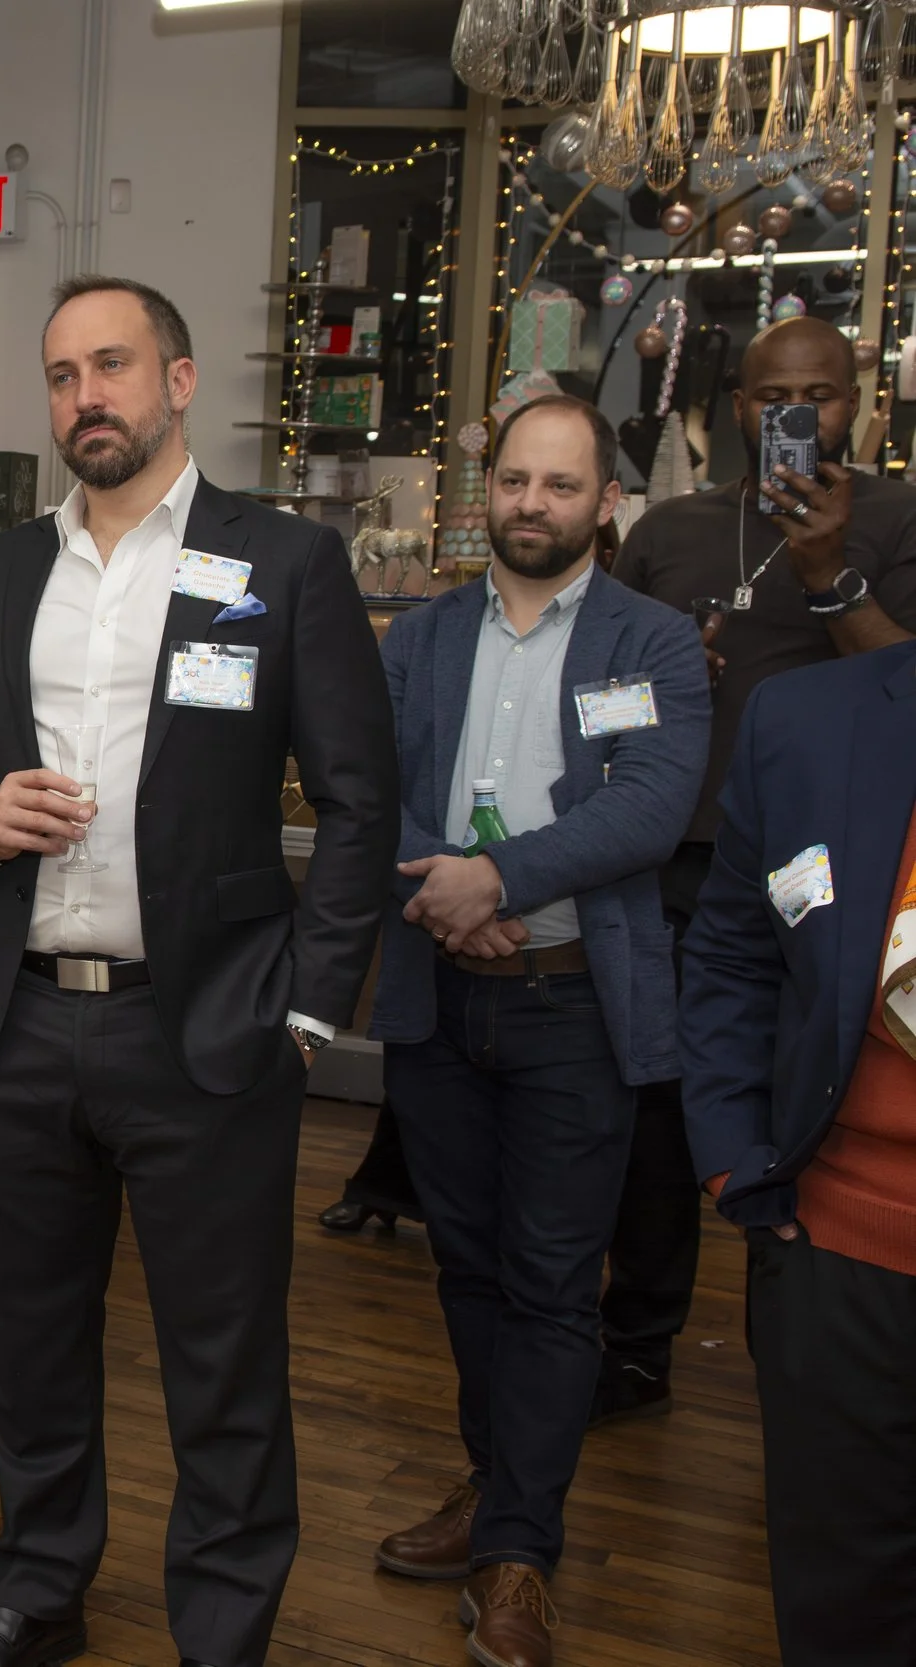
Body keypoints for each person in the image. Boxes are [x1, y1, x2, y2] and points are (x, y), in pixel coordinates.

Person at [0, 275, 399, 1667]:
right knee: (32, 1351)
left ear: (177, 381)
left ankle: (223, 1629)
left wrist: (307, 1008)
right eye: (60, 375)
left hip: (209, 1032)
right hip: (18, 1023)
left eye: (110, 366)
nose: (82, 398)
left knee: (223, 1366)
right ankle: (35, 1586)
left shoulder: (280, 564)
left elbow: (359, 801)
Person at [367, 395, 708, 1667]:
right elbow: (377, 782)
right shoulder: (421, 633)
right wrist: (447, 890)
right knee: (464, 1268)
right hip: (439, 996)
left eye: (559, 486)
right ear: (486, 491)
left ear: (603, 502)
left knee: (557, 1287)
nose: (531, 504)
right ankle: (492, 1485)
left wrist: (494, 882)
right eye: (513, 480)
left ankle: (521, 1550)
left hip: (573, 1003)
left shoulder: (653, 640)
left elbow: (652, 806)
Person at [603, 313, 916, 1422]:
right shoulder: (673, 527)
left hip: (840, 888)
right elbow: (603, 704)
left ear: (855, 401)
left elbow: (904, 697)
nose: (795, 416)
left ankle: (800, 1324)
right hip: (671, 857)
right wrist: (658, 672)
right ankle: (639, 1341)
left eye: (819, 396)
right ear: (733, 406)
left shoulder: (896, 517)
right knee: (656, 1109)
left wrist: (833, 577)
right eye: (769, 395)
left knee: (807, 1096)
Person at [681, 634, 916, 1667]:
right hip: (837, 1243)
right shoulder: (805, 718)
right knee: (843, 1604)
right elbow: (731, 950)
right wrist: (735, 1154)